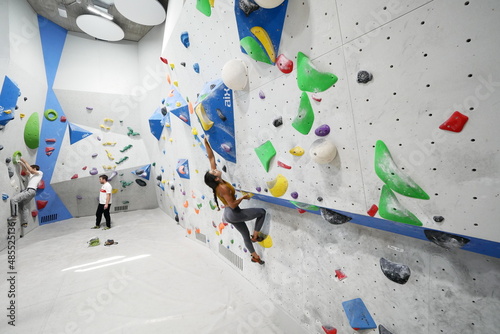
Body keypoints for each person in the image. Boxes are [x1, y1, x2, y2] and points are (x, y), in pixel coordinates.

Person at [203, 137, 266, 265]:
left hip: (228, 215)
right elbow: (232, 205)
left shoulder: (217, 183)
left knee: (244, 235)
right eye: (214, 171)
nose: (215, 169)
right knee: (262, 212)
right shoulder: (223, 188)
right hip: (233, 213)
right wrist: (243, 197)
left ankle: (255, 256)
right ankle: (255, 236)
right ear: (215, 178)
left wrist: (206, 143)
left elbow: (211, 158)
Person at [10, 158, 43, 228]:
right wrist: (21, 164)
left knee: (14, 200)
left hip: (30, 191)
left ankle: (14, 216)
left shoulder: (40, 173)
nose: (30, 169)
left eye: (31, 168)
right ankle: (25, 223)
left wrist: (24, 160)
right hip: (31, 192)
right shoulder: (32, 176)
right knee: (24, 206)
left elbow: (30, 170)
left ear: (34, 168)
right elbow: (26, 171)